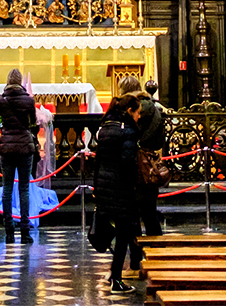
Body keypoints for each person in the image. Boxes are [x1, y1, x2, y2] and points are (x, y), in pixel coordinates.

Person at [95, 76, 145, 293]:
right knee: (125, 231)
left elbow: (98, 160)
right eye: (137, 112)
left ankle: (114, 274)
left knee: (121, 231)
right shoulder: (129, 131)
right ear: (130, 111)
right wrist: (134, 183)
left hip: (105, 186)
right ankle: (116, 278)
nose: (139, 115)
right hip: (121, 188)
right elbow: (127, 162)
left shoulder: (105, 127)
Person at [0, 69, 39, 243]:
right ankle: (25, 231)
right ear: (20, 83)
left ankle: (9, 230)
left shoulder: (0, 101)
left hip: (7, 147)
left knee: (7, 189)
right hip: (25, 147)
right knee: (24, 189)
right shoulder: (28, 100)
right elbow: (33, 122)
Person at [137, 79, 167, 236]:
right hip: (151, 167)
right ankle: (156, 248)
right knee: (150, 213)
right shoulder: (156, 111)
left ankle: (135, 255)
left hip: (136, 168)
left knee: (134, 217)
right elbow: (160, 142)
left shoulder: (135, 114)